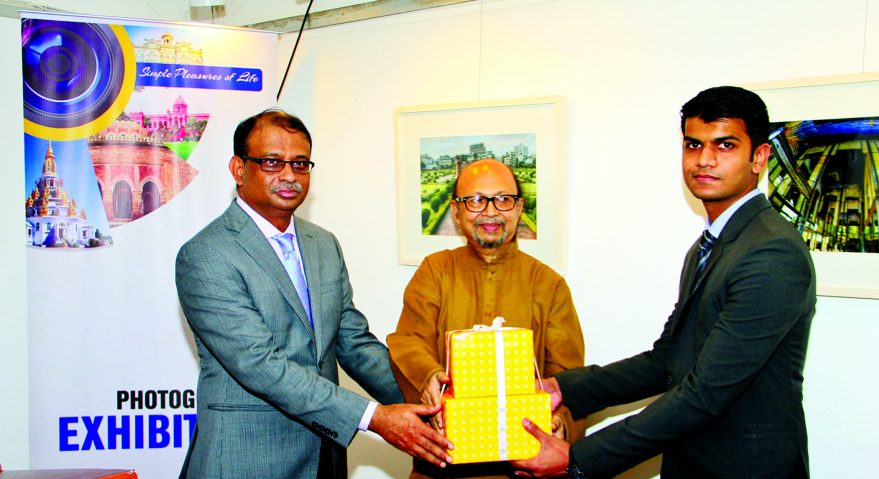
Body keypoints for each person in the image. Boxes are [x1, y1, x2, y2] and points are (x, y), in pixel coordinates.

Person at [512, 86, 816, 479]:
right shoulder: (709, 247)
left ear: (759, 156)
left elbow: (705, 394)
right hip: (690, 463)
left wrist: (577, 458)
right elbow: (667, 360)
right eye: (693, 145)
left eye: (724, 145)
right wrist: (564, 388)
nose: (704, 160)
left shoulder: (772, 253)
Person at [175, 109, 452, 478]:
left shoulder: (322, 244)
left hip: (324, 458)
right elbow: (262, 365)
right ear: (239, 168)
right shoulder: (207, 254)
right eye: (272, 162)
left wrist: (429, 401)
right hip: (248, 460)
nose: (289, 175)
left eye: (300, 163)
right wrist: (374, 418)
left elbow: (353, 342)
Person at [388, 159, 585, 479]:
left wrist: (559, 420)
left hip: (523, 466)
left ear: (519, 208)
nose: (491, 212)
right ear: (455, 211)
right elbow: (409, 340)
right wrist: (429, 377)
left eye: (503, 199)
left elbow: (570, 377)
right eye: (475, 200)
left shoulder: (549, 285)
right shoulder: (434, 272)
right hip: (442, 464)